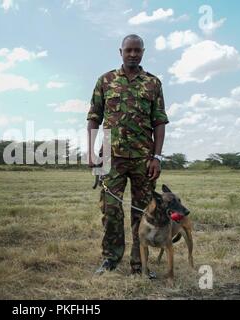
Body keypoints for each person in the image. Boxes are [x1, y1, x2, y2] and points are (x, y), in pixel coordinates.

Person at [87, 34, 169, 275]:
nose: (133, 54)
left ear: (143, 52)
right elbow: (94, 117)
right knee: (110, 210)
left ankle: (139, 264)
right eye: (128, 50)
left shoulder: (153, 83)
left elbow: (159, 122)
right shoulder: (106, 80)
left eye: (137, 50)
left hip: (144, 158)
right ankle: (110, 259)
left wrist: (157, 157)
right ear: (120, 51)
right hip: (110, 157)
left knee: (143, 213)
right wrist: (92, 152)